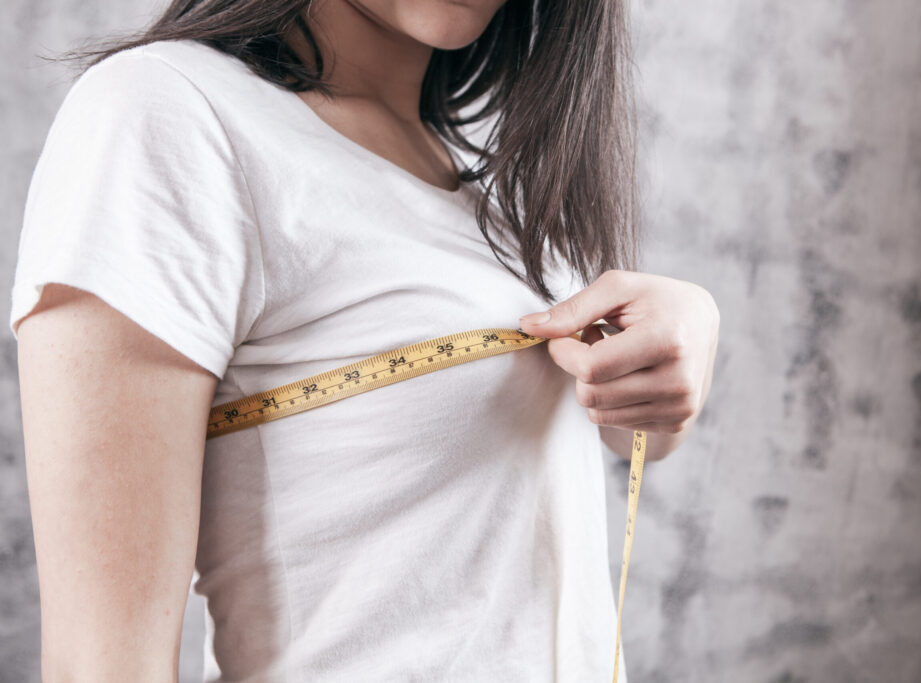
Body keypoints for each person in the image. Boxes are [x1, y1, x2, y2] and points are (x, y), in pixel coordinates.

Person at [9, 0, 721, 680]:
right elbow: (97, 667)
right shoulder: (163, 115)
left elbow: (609, 439)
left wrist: (685, 340)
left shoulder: (496, 193)